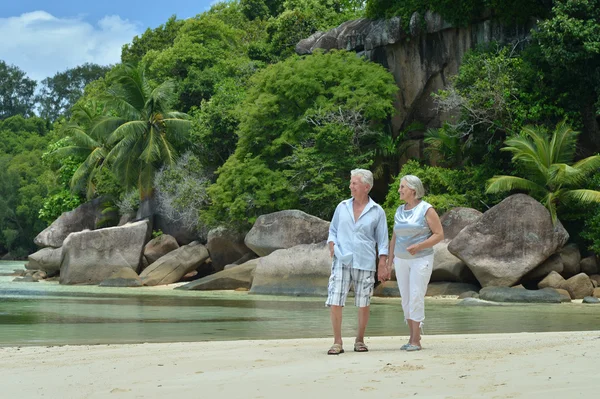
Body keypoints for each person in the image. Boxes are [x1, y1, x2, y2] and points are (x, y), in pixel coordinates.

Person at [325, 169, 389, 355]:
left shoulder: (377, 211)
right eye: (351, 183)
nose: (350, 186)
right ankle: (337, 341)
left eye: (354, 183)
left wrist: (382, 264)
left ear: (366, 187)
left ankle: (360, 340)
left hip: (365, 260)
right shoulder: (342, 206)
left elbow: (383, 241)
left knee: (363, 302)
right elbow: (333, 230)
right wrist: (331, 245)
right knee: (336, 299)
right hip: (341, 259)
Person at [381, 175, 444, 352]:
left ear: (413, 190)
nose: (399, 190)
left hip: (421, 259)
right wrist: (389, 261)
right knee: (406, 299)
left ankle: (415, 340)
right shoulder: (400, 210)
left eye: (402, 187)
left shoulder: (426, 209)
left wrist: (420, 246)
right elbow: (394, 237)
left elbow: (439, 234)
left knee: (416, 295)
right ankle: (412, 336)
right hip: (401, 260)